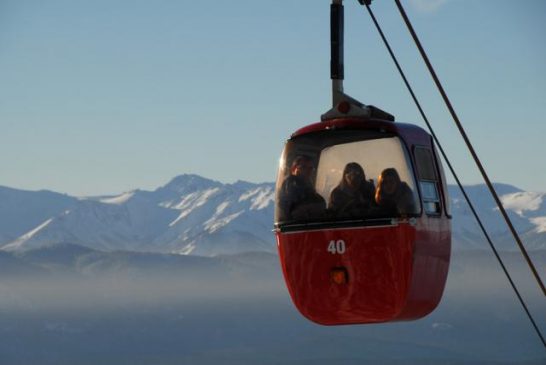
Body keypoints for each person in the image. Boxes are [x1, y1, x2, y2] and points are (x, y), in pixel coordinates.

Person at [277, 155, 326, 222]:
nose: (307, 170)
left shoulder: (307, 184)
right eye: (303, 167)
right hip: (297, 224)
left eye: (310, 168)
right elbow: (297, 205)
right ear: (294, 169)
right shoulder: (291, 183)